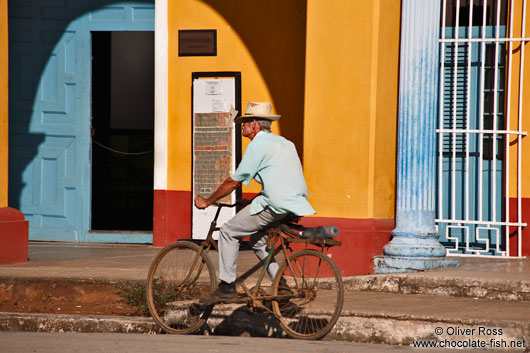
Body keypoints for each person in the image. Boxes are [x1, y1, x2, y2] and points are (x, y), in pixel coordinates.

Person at [194, 101, 315, 300]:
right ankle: (281, 285)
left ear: (256, 125)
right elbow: (280, 179)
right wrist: (254, 200)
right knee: (257, 241)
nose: (243, 125)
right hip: (295, 203)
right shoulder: (285, 142)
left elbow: (233, 182)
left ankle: (227, 286)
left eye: (246, 122)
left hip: (275, 204)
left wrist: (207, 201)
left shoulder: (257, 145)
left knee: (227, 232)